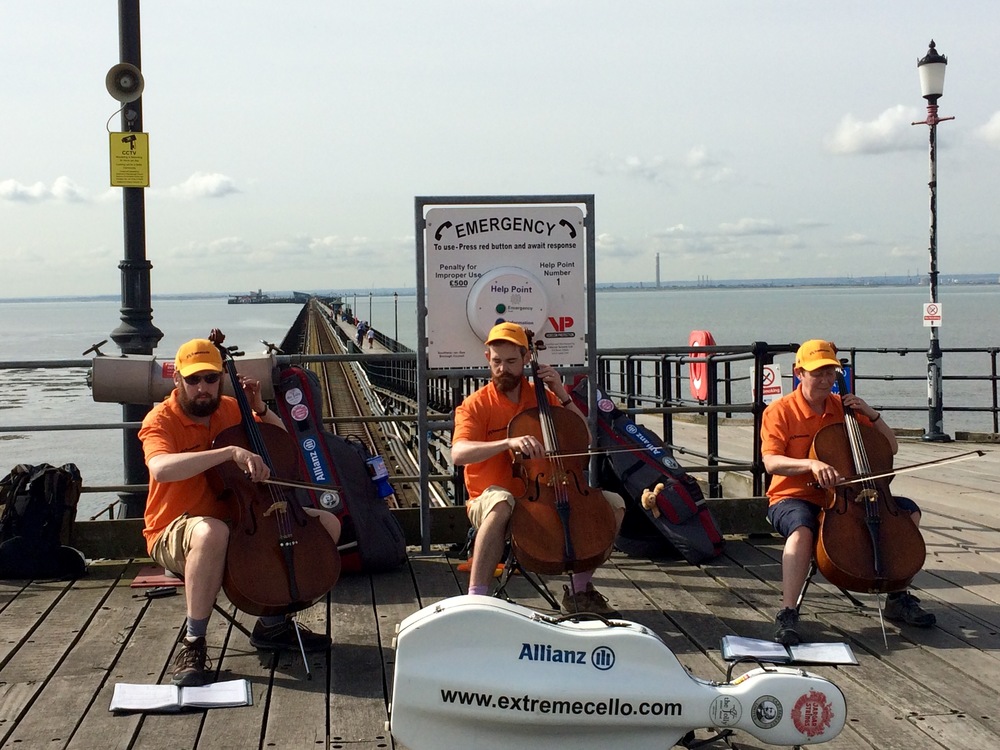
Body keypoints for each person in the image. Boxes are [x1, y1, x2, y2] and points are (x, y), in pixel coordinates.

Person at [139, 338, 342, 687]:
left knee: (326, 524)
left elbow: (281, 444)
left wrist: (260, 409)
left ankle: (272, 623)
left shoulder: (231, 409)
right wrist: (228, 453)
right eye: (193, 380)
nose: (202, 388)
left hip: (241, 520)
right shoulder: (161, 419)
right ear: (178, 381)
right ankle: (194, 642)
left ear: (220, 378)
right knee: (211, 532)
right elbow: (161, 469)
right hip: (176, 529)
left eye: (210, 379)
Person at [761, 339, 936, 646]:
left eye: (830, 372)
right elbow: (771, 461)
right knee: (802, 529)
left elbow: (890, 447)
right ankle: (787, 611)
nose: (826, 379)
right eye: (818, 373)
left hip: (850, 496)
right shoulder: (780, 411)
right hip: (793, 496)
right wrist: (810, 464)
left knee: (908, 512)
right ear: (799, 372)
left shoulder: (844, 408)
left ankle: (897, 595)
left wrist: (872, 413)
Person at [451, 322, 626, 616]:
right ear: (487, 359)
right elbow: (458, 453)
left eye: (510, 362)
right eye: (496, 362)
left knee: (615, 505)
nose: (503, 369)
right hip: (490, 498)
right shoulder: (475, 405)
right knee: (501, 502)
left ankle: (580, 590)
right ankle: (476, 598)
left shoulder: (542, 396)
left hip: (545, 493)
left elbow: (581, 435)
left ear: (525, 360)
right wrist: (507, 442)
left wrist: (562, 392)